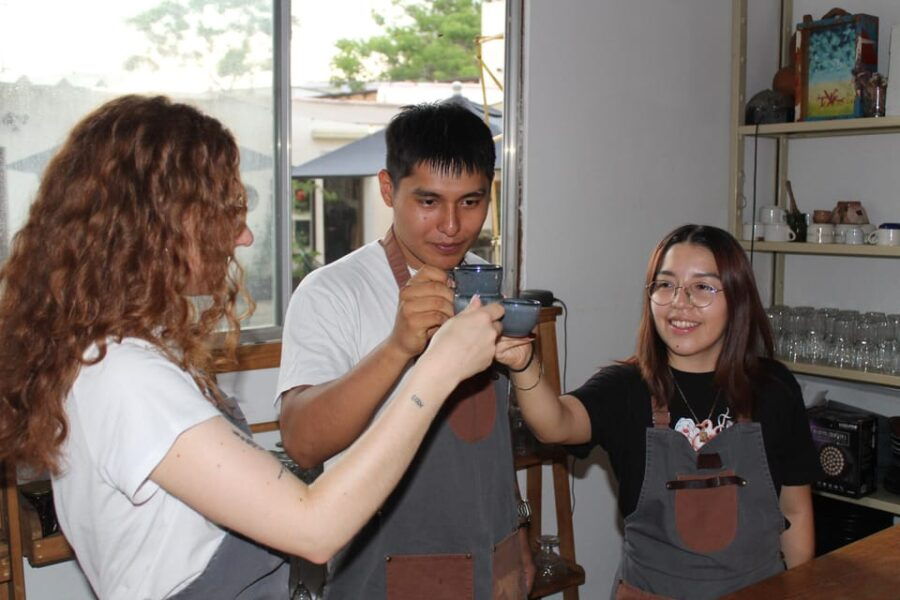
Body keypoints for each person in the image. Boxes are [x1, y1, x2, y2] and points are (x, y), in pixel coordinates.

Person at [0, 95, 506, 600]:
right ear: (158, 223)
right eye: (224, 211)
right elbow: (314, 528)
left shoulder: (127, 353)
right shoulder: (122, 376)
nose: (243, 236)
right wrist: (434, 370)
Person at [277, 101, 532, 599]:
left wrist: (517, 523)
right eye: (430, 201)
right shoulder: (333, 291)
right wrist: (397, 348)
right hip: (385, 571)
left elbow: (489, 442)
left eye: (471, 201)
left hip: (491, 561)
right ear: (388, 189)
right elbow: (302, 441)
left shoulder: (485, 281)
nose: (453, 226)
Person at [496, 224, 819, 599]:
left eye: (703, 287)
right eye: (666, 285)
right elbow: (555, 423)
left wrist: (800, 588)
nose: (680, 302)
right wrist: (523, 364)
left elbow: (795, 513)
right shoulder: (626, 387)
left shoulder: (773, 388)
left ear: (737, 297)